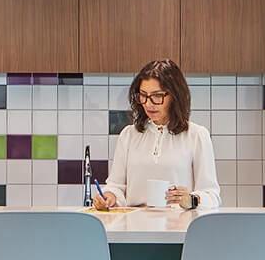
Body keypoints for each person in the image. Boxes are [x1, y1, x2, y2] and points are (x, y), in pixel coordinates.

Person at [91, 58, 220, 210]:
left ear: (174, 96)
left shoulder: (197, 135)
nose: (148, 103)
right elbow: (116, 187)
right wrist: (109, 197)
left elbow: (212, 195)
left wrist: (192, 199)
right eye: (143, 95)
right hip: (134, 227)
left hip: (178, 228)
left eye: (157, 96)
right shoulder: (129, 135)